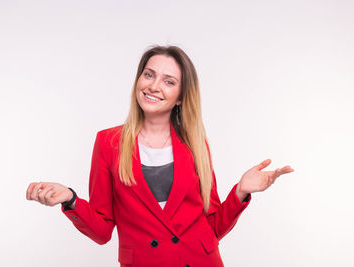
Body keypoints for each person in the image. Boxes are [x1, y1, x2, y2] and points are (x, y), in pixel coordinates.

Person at [26, 45, 294, 267]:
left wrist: (239, 193)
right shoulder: (108, 142)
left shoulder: (195, 143)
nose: (154, 86)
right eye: (148, 75)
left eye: (169, 81)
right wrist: (70, 199)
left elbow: (212, 228)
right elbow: (102, 231)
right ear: (138, 81)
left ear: (179, 97)